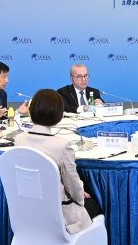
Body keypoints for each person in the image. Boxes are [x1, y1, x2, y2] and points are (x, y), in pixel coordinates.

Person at [13, 89, 96, 233]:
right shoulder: (62, 145)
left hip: (26, 211)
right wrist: (80, 193)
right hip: (59, 215)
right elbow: (73, 185)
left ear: (31, 111)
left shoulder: (18, 140)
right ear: (58, 114)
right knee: (96, 204)